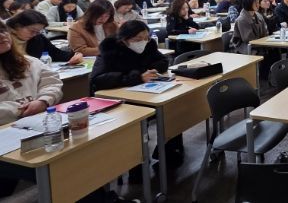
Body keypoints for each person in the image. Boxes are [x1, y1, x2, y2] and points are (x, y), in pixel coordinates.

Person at [91, 20, 185, 170]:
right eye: (138, 39)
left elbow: (162, 61)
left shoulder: (149, 45)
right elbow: (98, 79)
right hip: (121, 101)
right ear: (124, 39)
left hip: (147, 93)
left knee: (173, 107)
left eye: (146, 37)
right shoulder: (110, 49)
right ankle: (136, 165)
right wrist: (137, 77)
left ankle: (168, 152)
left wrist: (151, 70)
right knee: (136, 121)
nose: (143, 42)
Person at [0, 20, 63, 197]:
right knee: (58, 170)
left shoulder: (28, 62)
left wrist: (43, 101)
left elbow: (52, 82)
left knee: (73, 157)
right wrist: (20, 110)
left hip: (37, 129)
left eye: (3, 30)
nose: (2, 36)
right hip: (6, 140)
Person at [7, 10, 84, 64]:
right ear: (17, 26)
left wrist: (76, 55)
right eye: (32, 31)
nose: (34, 34)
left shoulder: (37, 38)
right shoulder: (5, 40)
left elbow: (55, 53)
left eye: (38, 32)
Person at [231, 0, 279, 78]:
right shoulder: (242, 19)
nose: (258, 4)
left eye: (258, 2)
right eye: (255, 2)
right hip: (245, 46)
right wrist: (264, 42)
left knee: (275, 50)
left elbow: (265, 31)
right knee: (267, 53)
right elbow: (248, 39)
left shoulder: (258, 15)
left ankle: (271, 76)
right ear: (249, 3)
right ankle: (263, 78)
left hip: (259, 43)